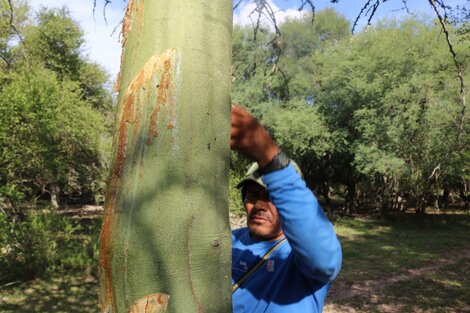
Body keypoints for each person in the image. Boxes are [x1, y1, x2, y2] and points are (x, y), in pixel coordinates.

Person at [230, 105, 342, 313]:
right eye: (253, 196)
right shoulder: (230, 240)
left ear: (287, 202)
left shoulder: (300, 255)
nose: (260, 206)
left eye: (272, 198)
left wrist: (268, 155)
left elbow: (325, 261)